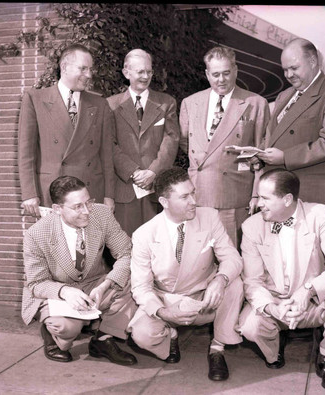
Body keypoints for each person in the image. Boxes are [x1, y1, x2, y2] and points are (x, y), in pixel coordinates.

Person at [238, 168, 325, 393]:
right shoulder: (251, 226)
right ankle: (275, 350)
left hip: (313, 301)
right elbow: (252, 282)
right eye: (258, 196)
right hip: (276, 301)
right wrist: (274, 309)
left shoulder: (319, 215)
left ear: (287, 199)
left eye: (265, 198)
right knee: (249, 326)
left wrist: (308, 290)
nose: (258, 203)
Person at [129, 167, 244, 381]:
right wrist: (164, 313)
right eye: (184, 197)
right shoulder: (144, 235)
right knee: (142, 335)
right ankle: (169, 335)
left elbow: (232, 258)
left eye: (193, 193)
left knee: (234, 282)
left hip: (204, 298)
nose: (193, 201)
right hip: (167, 299)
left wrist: (220, 279)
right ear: (164, 202)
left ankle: (218, 347)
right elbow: (141, 288)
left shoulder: (209, 217)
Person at [21, 176, 137, 365]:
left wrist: (105, 285)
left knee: (135, 280)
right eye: (77, 207)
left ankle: (103, 339)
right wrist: (65, 292)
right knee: (66, 328)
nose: (86, 211)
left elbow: (127, 253)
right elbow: (36, 283)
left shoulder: (101, 214)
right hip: (56, 291)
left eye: (88, 202)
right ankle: (53, 333)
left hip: (94, 284)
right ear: (57, 209)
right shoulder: (36, 234)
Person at [179, 46, 269, 248]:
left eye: (226, 73)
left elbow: (261, 152)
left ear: (236, 71)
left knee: (232, 258)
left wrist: (257, 194)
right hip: (198, 194)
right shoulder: (190, 103)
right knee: (199, 258)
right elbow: (187, 143)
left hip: (235, 197)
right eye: (216, 74)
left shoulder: (256, 103)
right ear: (207, 74)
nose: (221, 79)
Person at [257, 38, 325, 218]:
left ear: (313, 62)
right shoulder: (284, 95)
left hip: (310, 192)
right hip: (280, 193)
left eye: (294, 68)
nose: (288, 75)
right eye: (285, 70)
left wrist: (285, 157)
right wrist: (260, 156)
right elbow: (274, 137)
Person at [18, 43, 115, 217]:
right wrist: (29, 193)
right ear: (64, 67)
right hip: (52, 194)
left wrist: (109, 195)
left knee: (88, 244)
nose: (89, 75)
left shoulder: (100, 104)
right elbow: (26, 152)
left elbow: (107, 155)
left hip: (90, 194)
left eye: (90, 69)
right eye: (83, 68)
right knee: (54, 243)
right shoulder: (35, 99)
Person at [107, 49, 179, 236]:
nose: (146, 76)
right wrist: (133, 171)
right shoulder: (110, 105)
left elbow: (171, 139)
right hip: (125, 190)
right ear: (126, 73)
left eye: (149, 71)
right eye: (140, 72)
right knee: (125, 249)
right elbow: (109, 144)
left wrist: (153, 172)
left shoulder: (166, 103)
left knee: (158, 247)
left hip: (156, 189)